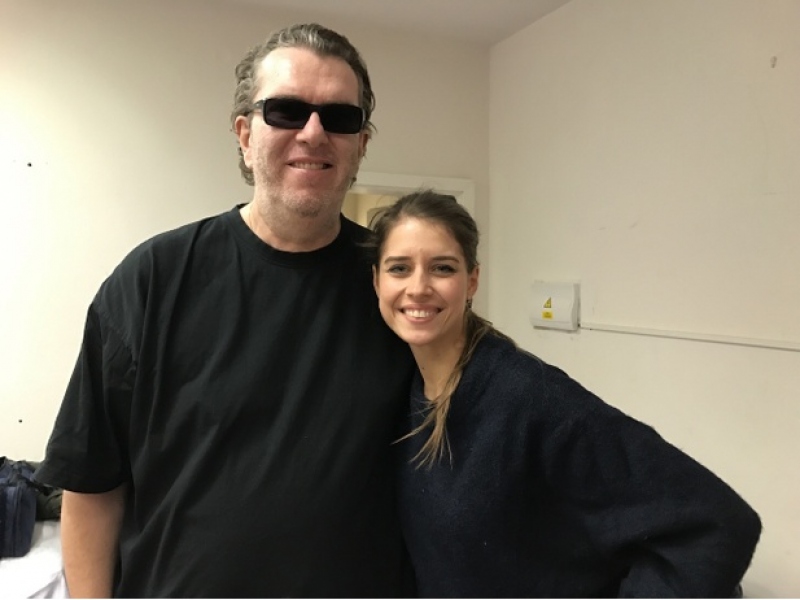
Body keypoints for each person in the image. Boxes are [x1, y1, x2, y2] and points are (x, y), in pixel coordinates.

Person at [34, 23, 416, 598]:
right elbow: (90, 484)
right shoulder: (153, 279)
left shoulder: (398, 288)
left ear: (360, 143)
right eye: (286, 111)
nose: (314, 133)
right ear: (244, 133)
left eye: (339, 117)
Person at [367, 189, 762, 598]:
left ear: (472, 281)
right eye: (400, 268)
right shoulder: (405, 393)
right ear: (377, 280)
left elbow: (718, 523)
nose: (418, 287)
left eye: (442, 268)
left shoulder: (527, 399)